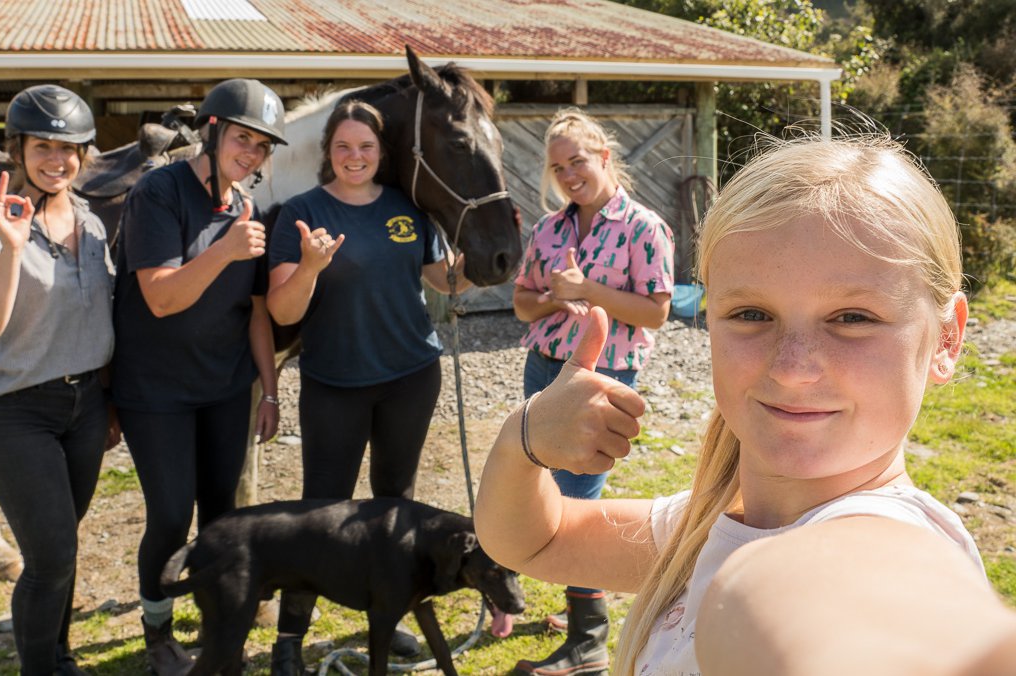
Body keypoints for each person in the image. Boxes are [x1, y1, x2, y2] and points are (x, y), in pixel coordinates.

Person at [474, 135, 1016, 675]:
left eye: (854, 317)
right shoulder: (705, 523)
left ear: (946, 340)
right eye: (752, 314)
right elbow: (534, 541)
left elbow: (861, 606)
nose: (791, 367)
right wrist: (524, 437)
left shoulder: (886, 540)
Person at [265, 100, 468, 674]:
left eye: (367, 147)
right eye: (344, 147)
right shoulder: (302, 213)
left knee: (392, 508)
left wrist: (481, 247)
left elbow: (445, 280)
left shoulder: (407, 207)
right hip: (336, 383)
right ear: (328, 151)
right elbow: (282, 310)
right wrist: (308, 265)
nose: (355, 157)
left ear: (382, 153)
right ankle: (289, 640)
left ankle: (389, 619)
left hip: (411, 376)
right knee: (318, 512)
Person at [109, 78, 283, 676]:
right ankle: (157, 628)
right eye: (243, 139)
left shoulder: (245, 208)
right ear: (211, 132)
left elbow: (255, 311)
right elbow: (159, 297)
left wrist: (271, 388)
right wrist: (227, 249)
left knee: (221, 514)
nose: (252, 154)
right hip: (156, 390)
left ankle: (216, 621)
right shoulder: (158, 193)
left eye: (262, 146)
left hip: (227, 388)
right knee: (167, 514)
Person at [509, 108, 674, 675]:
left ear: (604, 157)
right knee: (541, 486)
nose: (569, 174)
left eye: (577, 160)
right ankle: (577, 604)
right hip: (543, 367)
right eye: (558, 168)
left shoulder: (643, 227)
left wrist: (589, 289)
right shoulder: (549, 229)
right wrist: (557, 297)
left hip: (604, 373)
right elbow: (522, 302)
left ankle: (588, 643)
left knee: (578, 494)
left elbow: (655, 311)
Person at [0, 84, 114, 676]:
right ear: (18, 149)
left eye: (71, 147)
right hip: (14, 411)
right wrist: (9, 247)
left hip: (84, 405)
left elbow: (102, 316)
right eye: (43, 146)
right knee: (49, 559)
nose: (58, 159)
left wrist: (111, 400)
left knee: (63, 549)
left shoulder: (93, 226)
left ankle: (60, 656)